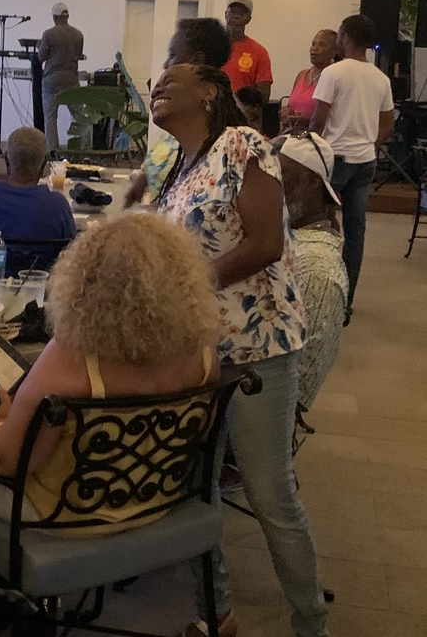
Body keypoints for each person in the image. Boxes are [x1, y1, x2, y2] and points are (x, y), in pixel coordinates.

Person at [0, 212, 219, 635]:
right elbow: (198, 434)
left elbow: (6, 462)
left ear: (85, 282)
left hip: (66, 516)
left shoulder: (72, 358)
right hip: (157, 501)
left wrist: (1, 420)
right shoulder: (204, 355)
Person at [151, 63, 327, 637]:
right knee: (194, 486)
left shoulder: (241, 144)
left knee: (269, 492)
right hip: (198, 351)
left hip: (257, 346)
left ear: (209, 91)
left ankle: (311, 624)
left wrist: (188, 285)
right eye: (154, 84)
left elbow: (266, 243)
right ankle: (218, 611)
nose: (157, 87)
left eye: (169, 78)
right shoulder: (181, 166)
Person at [310, 14, 395, 324]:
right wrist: (371, 145)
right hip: (364, 162)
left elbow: (319, 119)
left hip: (335, 159)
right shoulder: (381, 79)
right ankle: (346, 302)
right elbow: (388, 123)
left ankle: (320, 293)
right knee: (355, 231)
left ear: (344, 37)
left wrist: (311, 149)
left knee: (319, 224)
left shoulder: (333, 73)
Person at [124, 17, 231, 207]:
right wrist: (144, 178)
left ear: (196, 61)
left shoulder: (229, 135)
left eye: (172, 55)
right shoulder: (181, 120)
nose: (166, 64)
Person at [275, 133, 348, 412]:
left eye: (281, 175)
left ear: (313, 181)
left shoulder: (317, 265)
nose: (272, 183)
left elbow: (302, 379)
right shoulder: (292, 234)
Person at [0, 126, 77, 272]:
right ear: (44, 162)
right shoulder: (57, 205)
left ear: (7, 160)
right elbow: (72, 254)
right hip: (38, 284)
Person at [37, 2, 85, 153]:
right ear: (67, 16)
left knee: (50, 117)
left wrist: (40, 47)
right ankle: (82, 148)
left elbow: (41, 57)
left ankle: (53, 150)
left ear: (55, 18)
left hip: (52, 80)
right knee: (78, 115)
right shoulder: (78, 35)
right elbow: (78, 55)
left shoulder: (48, 34)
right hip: (71, 79)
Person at [280, 30, 338, 132]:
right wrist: (286, 111)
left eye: (322, 45)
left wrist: (311, 118)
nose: (314, 48)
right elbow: (290, 106)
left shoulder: (334, 78)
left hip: (317, 137)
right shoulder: (302, 75)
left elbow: (337, 117)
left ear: (334, 52)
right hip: (292, 135)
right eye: (313, 44)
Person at [222, 0, 273, 101]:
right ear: (226, 14)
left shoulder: (259, 52)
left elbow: (263, 96)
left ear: (248, 19)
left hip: (241, 110)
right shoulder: (211, 46)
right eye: (233, 12)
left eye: (241, 13)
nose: (236, 16)